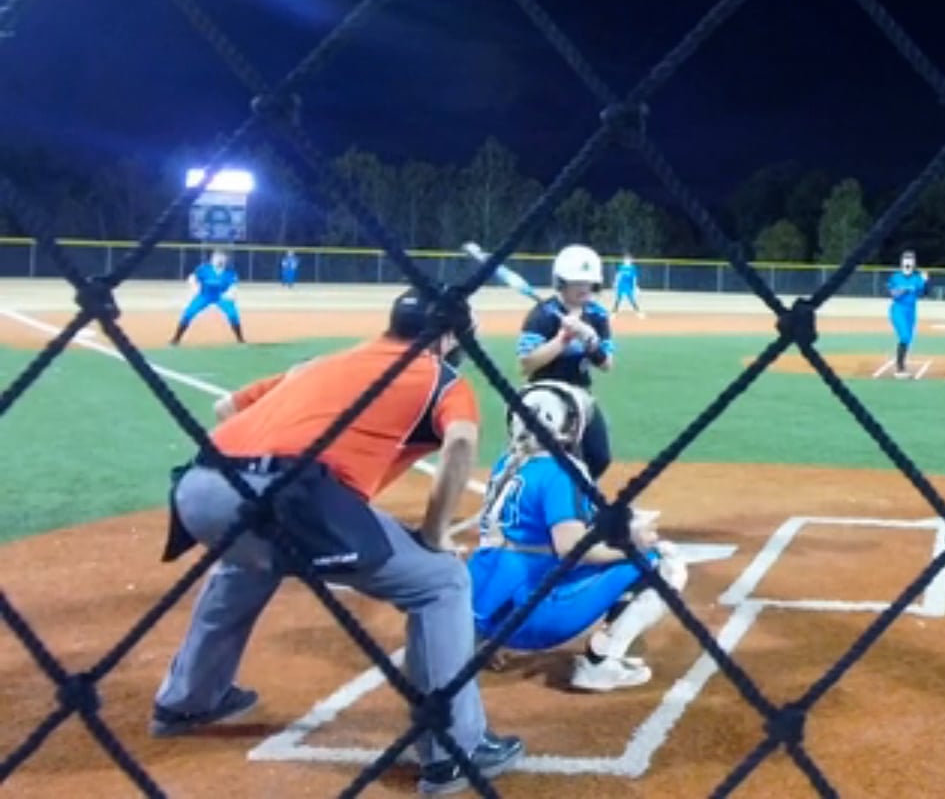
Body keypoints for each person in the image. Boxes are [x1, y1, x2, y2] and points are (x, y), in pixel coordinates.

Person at [150, 288, 523, 795]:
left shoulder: (326, 362)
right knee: (442, 582)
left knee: (248, 563)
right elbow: (460, 441)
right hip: (291, 498)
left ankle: (187, 700)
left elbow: (225, 407)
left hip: (199, 489)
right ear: (450, 337)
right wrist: (435, 534)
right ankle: (454, 750)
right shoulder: (441, 378)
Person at [469, 380, 689, 692]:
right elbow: (572, 549)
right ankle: (600, 665)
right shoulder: (560, 472)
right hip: (528, 618)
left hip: (480, 611)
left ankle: (477, 644)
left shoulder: (507, 463)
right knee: (664, 562)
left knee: (514, 550)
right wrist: (633, 545)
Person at [516, 245, 616, 481]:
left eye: (588, 282)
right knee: (546, 459)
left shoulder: (598, 315)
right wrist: (563, 339)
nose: (584, 288)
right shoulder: (541, 314)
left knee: (599, 457)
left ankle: (581, 496)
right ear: (561, 282)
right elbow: (526, 364)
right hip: (543, 395)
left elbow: (607, 365)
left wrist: (591, 342)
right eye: (577, 282)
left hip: (580, 395)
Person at [169, 249, 245, 346]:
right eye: (217, 257)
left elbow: (233, 285)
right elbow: (192, 278)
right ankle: (176, 339)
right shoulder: (204, 269)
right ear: (212, 259)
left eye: (222, 258)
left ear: (226, 260)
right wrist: (194, 288)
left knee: (233, 315)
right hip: (204, 295)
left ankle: (240, 339)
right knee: (188, 313)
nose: (219, 260)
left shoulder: (230, 272)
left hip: (221, 296)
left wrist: (231, 294)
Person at [886, 250, 929, 378]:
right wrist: (903, 290)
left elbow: (923, 293)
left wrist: (926, 282)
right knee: (904, 336)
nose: (908, 264)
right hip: (898, 309)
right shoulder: (896, 277)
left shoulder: (917, 278)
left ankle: (902, 362)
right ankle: (900, 367)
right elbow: (893, 294)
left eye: (911, 261)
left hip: (911, 311)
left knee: (909, 339)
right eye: (906, 260)